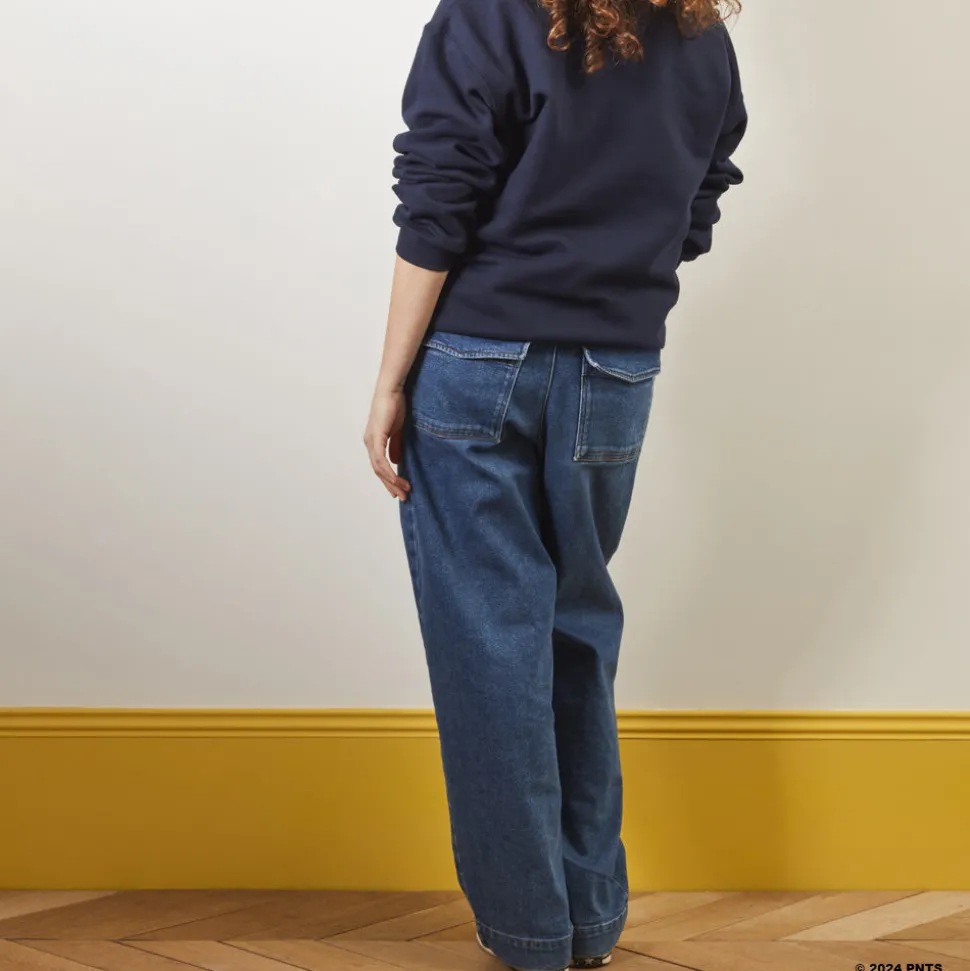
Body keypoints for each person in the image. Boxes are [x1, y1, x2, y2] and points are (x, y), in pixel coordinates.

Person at [364, 0, 747, 968]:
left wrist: (390, 379)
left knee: (491, 644)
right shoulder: (702, 37)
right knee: (577, 629)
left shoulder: (489, 13)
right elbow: (701, 194)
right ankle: (589, 920)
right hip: (617, 369)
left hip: (479, 359)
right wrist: (617, 274)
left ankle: (531, 934)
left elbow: (438, 196)